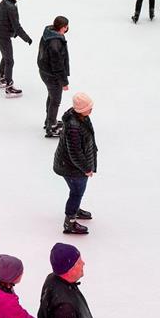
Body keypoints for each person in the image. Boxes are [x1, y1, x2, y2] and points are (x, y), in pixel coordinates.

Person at [35, 243, 95, 318]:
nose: (83, 263)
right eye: (78, 262)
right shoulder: (64, 309)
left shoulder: (53, 279)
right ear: (69, 269)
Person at [53, 93, 97, 234]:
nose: (91, 109)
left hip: (72, 165)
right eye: (88, 107)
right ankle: (70, 221)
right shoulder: (74, 126)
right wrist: (86, 168)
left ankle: (75, 209)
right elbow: (75, 153)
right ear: (80, 109)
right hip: (72, 168)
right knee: (77, 192)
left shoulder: (81, 118)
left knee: (77, 191)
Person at [0, 0, 33, 96]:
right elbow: (16, 26)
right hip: (3, 37)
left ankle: (2, 79)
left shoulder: (3, 2)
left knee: (5, 57)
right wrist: (26, 38)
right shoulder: (11, 7)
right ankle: (9, 87)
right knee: (10, 61)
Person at [38, 15, 70, 138]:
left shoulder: (48, 34)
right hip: (52, 75)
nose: (67, 29)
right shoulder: (55, 43)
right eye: (66, 27)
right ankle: (51, 126)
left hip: (45, 72)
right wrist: (64, 82)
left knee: (52, 97)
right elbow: (57, 65)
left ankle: (49, 121)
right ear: (62, 27)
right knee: (55, 100)